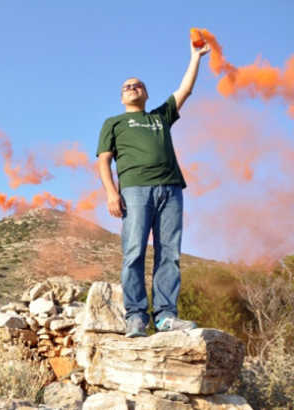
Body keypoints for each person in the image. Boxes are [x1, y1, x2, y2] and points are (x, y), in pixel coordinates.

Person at [96, 39, 211, 337]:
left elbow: (184, 90)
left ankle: (165, 316)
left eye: (138, 85)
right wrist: (111, 193)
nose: (133, 87)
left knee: (169, 253)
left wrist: (195, 57)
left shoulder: (160, 116)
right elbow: (103, 161)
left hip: (171, 189)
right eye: (127, 86)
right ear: (122, 97)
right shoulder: (114, 123)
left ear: (145, 93)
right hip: (134, 190)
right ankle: (135, 316)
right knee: (133, 252)